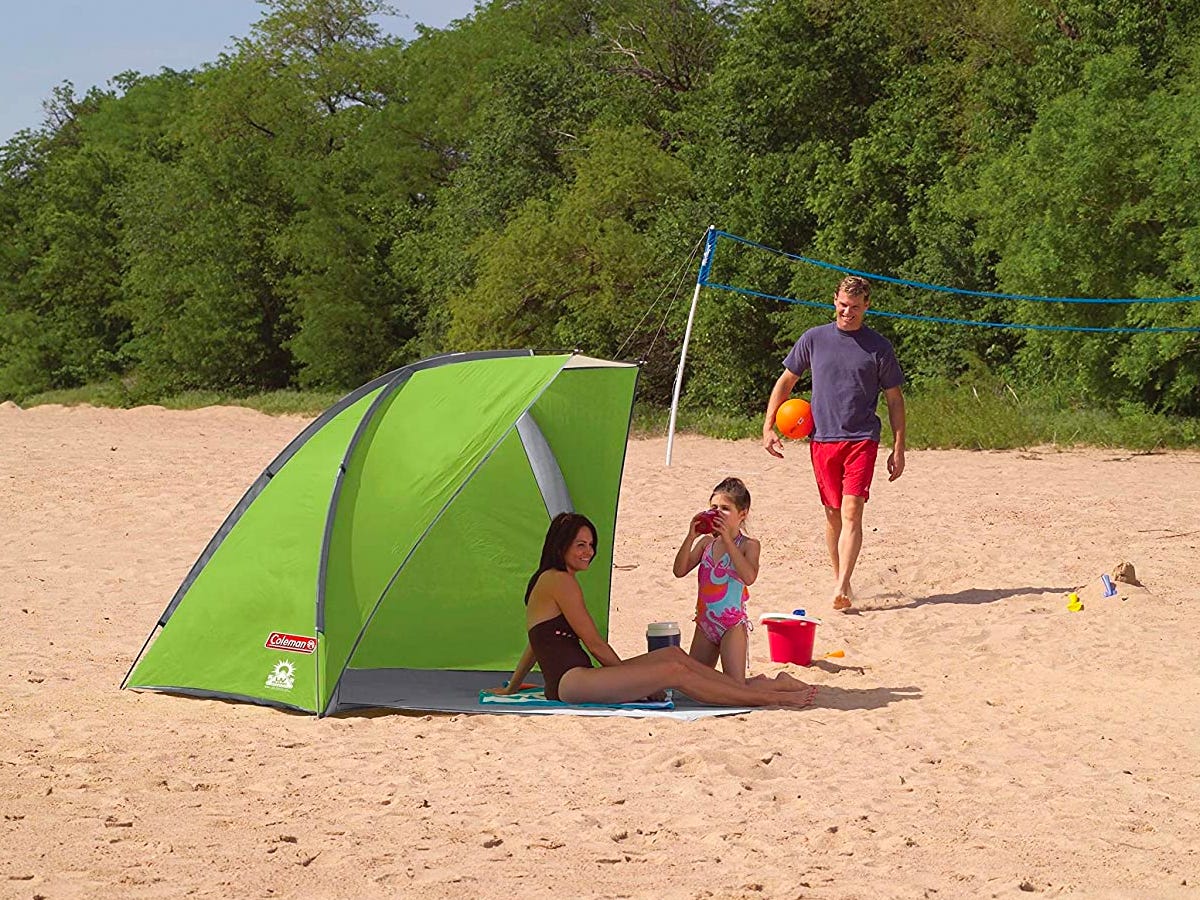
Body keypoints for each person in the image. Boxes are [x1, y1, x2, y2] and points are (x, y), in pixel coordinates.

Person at [492, 512, 816, 708]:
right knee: (673, 672)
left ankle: (755, 687)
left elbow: (536, 640)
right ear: (559, 545)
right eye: (581, 545)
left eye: (591, 545)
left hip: (577, 678)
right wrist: (628, 679)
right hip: (571, 683)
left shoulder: (549, 581)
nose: (589, 552)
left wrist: (512, 684)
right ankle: (771, 697)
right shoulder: (560, 582)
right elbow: (595, 644)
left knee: (674, 658)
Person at [762, 275, 906, 613]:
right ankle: (842, 577)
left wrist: (898, 447)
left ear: (866, 306)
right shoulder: (813, 339)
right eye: (843, 305)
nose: (848, 312)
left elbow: (895, 399)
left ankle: (841, 586)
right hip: (822, 439)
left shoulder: (879, 347)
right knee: (832, 514)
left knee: (852, 511)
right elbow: (786, 381)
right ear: (834, 301)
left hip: (862, 439)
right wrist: (769, 426)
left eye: (855, 307)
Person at [672, 477, 760, 682]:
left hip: (732, 625)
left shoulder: (749, 545)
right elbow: (679, 570)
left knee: (735, 685)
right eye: (714, 507)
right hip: (705, 623)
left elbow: (749, 577)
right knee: (695, 683)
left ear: (742, 514)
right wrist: (690, 536)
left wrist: (728, 540)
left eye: (725, 508)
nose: (718, 512)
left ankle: (780, 682)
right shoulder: (706, 544)